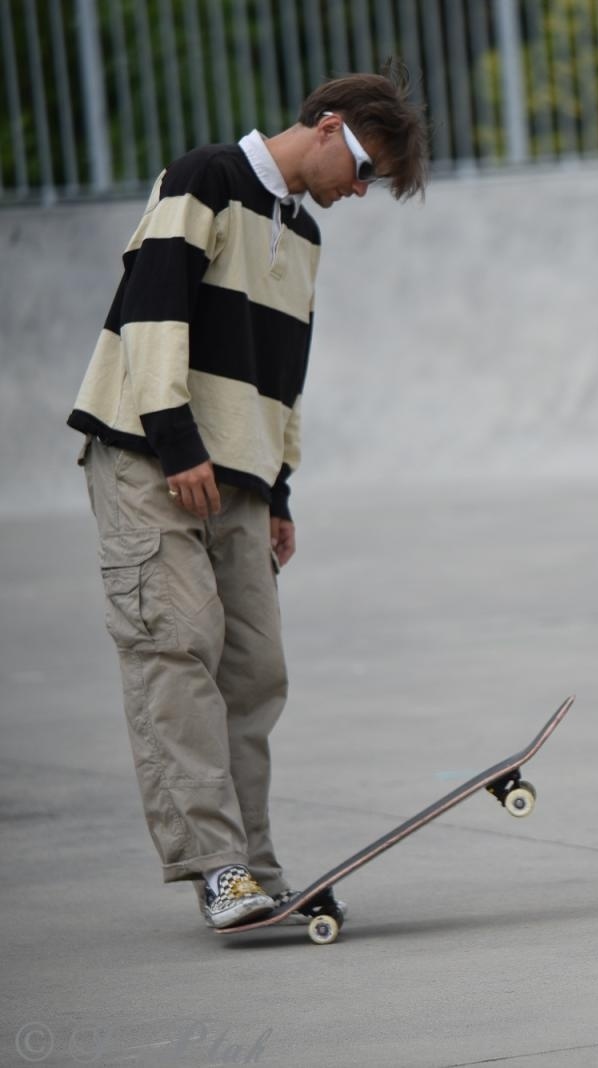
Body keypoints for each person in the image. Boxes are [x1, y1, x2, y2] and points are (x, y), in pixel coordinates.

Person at [67, 62, 428, 929]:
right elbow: (154, 308)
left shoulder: (302, 233)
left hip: (238, 474)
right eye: (367, 172)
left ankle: (257, 869)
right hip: (149, 455)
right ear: (330, 125)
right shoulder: (206, 178)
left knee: (255, 668)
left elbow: (281, 377)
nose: (361, 192)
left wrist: (280, 493)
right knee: (176, 646)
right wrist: (175, 438)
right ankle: (217, 869)